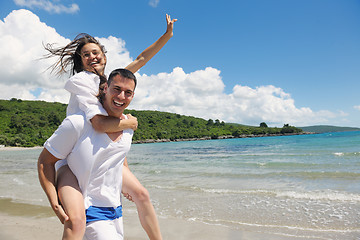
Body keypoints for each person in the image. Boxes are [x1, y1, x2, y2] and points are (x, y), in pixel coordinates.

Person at [43, 14, 177, 240]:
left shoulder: (111, 84)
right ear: (81, 61)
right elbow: (99, 124)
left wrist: (166, 36)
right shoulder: (82, 81)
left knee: (142, 195)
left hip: (100, 153)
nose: (91, 57)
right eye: (85, 55)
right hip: (74, 154)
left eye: (95, 52)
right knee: (75, 222)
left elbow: (141, 59)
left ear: (104, 57)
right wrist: (130, 123)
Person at [38, 68, 140, 239]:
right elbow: (45, 161)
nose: (122, 96)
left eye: (128, 92)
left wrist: (127, 184)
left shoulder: (127, 127)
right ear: (105, 88)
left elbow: (118, 157)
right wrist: (54, 201)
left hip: (114, 209)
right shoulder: (77, 123)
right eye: (116, 89)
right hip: (89, 210)